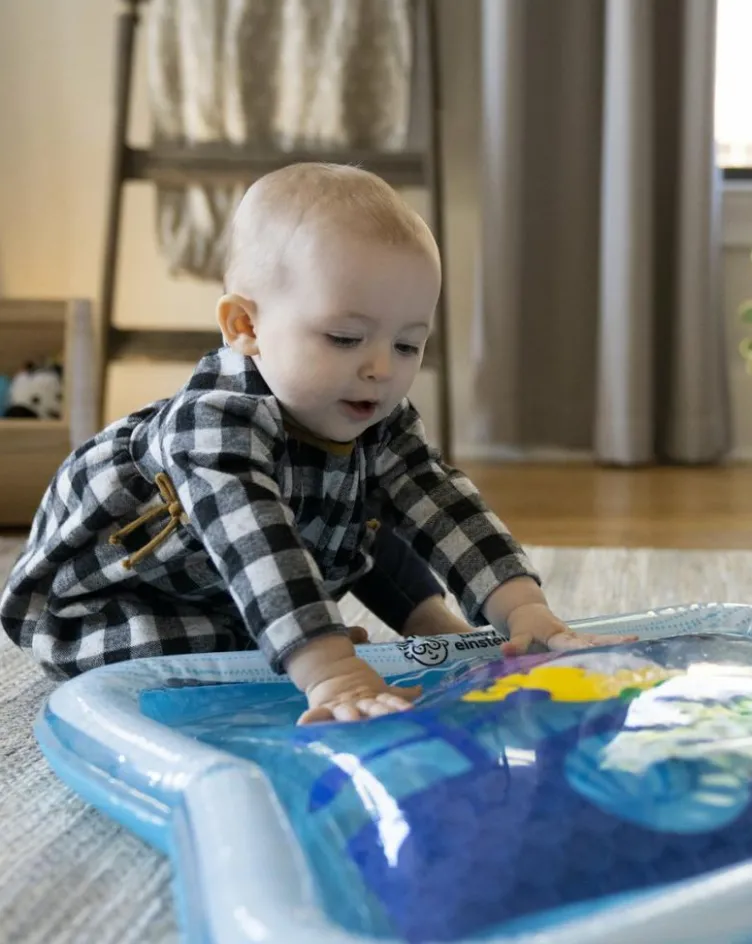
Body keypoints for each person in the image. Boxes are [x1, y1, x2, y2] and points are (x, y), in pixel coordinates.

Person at [0, 163, 616, 724]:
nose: (381, 368)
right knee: (233, 662)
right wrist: (331, 670)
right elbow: (260, 549)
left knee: (370, 509)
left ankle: (423, 626)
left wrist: (525, 611)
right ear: (246, 327)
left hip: (243, 576)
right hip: (109, 608)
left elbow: (441, 504)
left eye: (407, 345)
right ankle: (297, 643)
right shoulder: (213, 426)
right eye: (346, 338)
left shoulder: (376, 412)